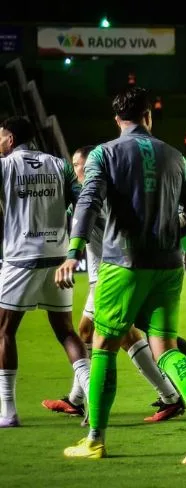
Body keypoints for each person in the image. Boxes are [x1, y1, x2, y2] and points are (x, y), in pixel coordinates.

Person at [56, 86, 186, 463]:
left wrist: (73, 253)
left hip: (123, 264)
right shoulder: (175, 155)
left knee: (102, 345)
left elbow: (88, 201)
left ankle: (95, 439)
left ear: (118, 119)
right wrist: (165, 233)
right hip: (168, 264)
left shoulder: (104, 153)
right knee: (166, 348)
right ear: (150, 115)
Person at [0, 116, 91, 428]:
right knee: (65, 330)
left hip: (19, 259)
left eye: (0, 136)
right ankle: (95, 399)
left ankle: (9, 412)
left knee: (4, 331)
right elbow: (81, 202)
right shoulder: (60, 165)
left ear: (10, 139)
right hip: (58, 257)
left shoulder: (5, 165)